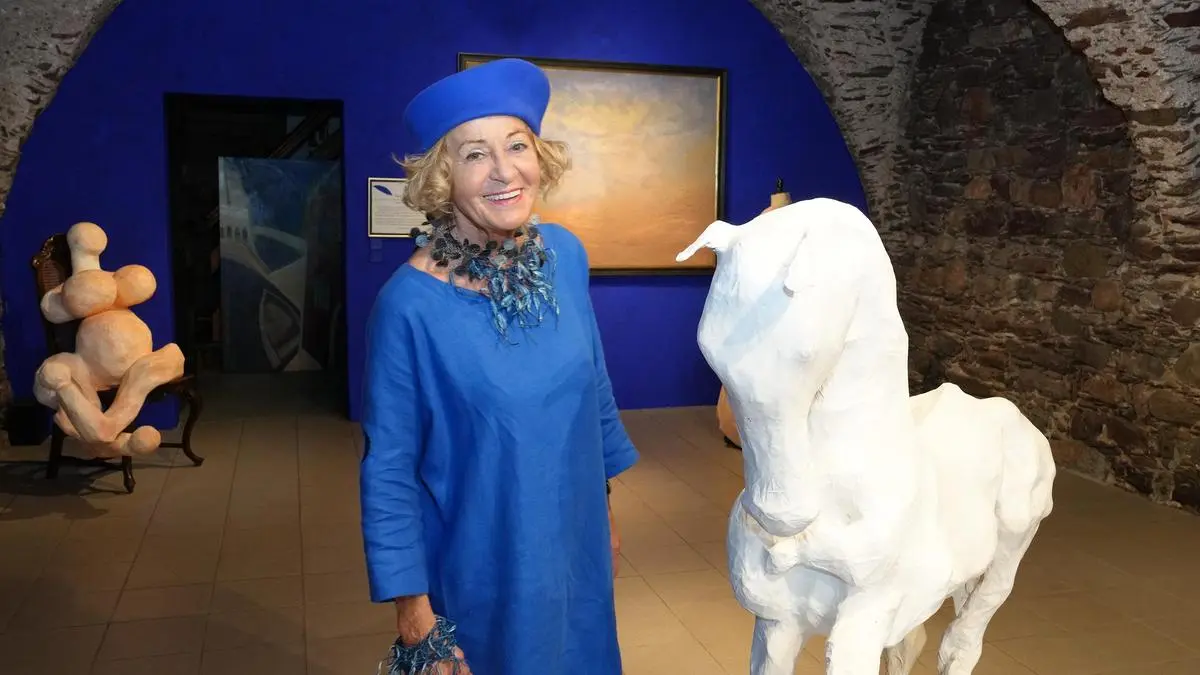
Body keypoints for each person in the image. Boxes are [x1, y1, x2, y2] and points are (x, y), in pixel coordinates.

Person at [359, 57, 640, 675]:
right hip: (481, 567)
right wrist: (413, 614)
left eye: (517, 145)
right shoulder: (408, 307)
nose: (504, 171)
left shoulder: (565, 256)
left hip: (576, 547)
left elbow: (592, 391)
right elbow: (389, 468)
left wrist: (604, 512)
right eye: (475, 155)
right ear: (443, 178)